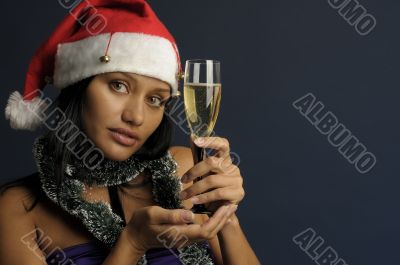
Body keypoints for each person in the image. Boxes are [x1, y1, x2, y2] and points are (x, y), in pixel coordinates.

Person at [0, 0, 261, 264]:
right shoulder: (18, 208)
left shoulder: (185, 172)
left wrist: (227, 217)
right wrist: (133, 243)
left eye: (155, 100)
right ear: (80, 85)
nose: (136, 116)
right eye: (119, 86)